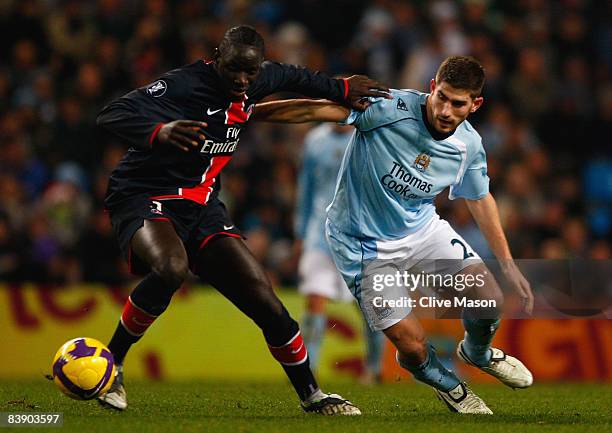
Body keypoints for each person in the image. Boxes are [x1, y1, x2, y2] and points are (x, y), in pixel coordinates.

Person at [96, 24, 389, 415]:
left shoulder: (261, 78)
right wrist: (158, 131)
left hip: (201, 208)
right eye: (233, 68)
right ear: (217, 56)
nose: (241, 79)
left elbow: (302, 77)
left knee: (266, 301)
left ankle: (313, 396)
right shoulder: (182, 85)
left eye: (250, 72)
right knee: (171, 268)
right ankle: (111, 364)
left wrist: (343, 89)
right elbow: (112, 114)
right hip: (144, 195)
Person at [252, 56, 535, 414]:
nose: (446, 110)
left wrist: (507, 264)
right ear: (432, 87)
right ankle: (450, 385)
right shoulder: (388, 108)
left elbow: (479, 198)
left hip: (421, 231)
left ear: (475, 105)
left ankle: (477, 352)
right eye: (442, 97)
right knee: (413, 347)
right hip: (361, 244)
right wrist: (248, 113)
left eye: (458, 103)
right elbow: (314, 111)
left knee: (488, 299)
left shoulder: (469, 146)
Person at [295, 122, 384, 382]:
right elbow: (306, 186)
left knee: (370, 305)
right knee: (314, 298)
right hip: (318, 234)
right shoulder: (314, 139)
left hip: (360, 234)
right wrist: (300, 232)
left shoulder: (370, 137)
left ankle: (374, 368)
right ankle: (307, 372)